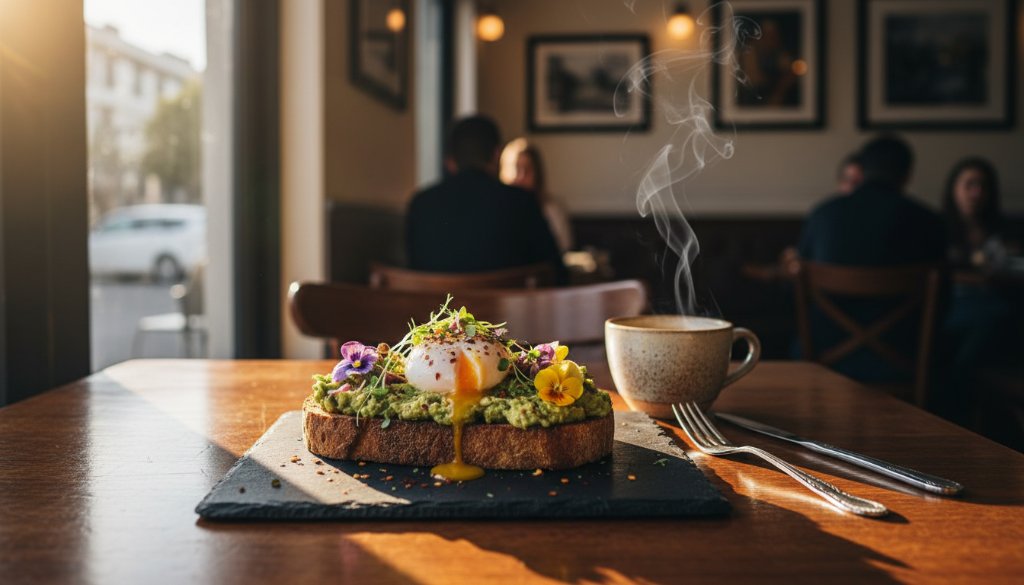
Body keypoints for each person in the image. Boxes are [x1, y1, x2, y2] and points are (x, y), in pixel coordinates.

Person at [797, 135, 946, 384]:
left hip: (825, 352)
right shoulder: (928, 221)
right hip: (902, 355)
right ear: (907, 175)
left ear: (862, 171)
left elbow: (798, 287)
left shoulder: (823, 214)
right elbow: (942, 303)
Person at [405, 116, 566, 281]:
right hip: (506, 306)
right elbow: (557, 274)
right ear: (497, 155)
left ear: (450, 161)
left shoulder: (421, 204)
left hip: (438, 306)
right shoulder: (522, 202)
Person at [936, 157, 1015, 424]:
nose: (976, 193)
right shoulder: (938, 228)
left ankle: (957, 400)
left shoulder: (1002, 230)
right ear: (954, 189)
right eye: (969, 185)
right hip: (949, 306)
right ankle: (958, 399)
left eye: (983, 186)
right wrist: (976, 279)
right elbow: (935, 274)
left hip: (993, 304)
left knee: (998, 318)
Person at [499, 138, 574, 253]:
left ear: (537, 174)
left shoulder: (551, 209)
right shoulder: (496, 210)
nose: (521, 176)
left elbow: (563, 248)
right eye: (516, 168)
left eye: (527, 170)